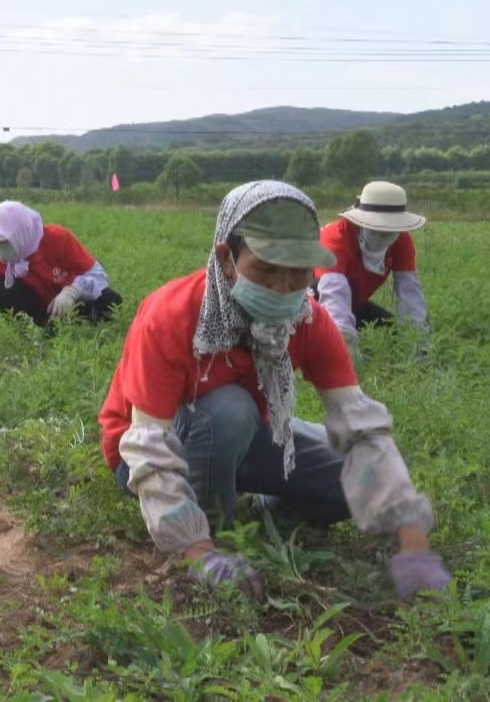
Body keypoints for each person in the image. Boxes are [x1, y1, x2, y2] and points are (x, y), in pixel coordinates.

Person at [96, 180, 449, 603]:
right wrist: (198, 551)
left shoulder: (309, 321)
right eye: (266, 269)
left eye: (299, 272)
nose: (284, 289)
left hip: (246, 439)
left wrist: (412, 540)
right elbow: (147, 444)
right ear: (227, 259)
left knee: (346, 477)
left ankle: (262, 497)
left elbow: (359, 424)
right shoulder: (172, 314)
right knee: (230, 409)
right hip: (145, 455)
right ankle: (214, 533)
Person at [0, 201, 123, 331]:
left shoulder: (57, 238)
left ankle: (71, 325)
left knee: (110, 300)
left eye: (4, 243)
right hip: (37, 311)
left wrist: (73, 291)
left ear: (21, 234)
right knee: (4, 287)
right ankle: (37, 330)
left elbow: (99, 276)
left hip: (72, 304)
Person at [315, 181, 428, 358]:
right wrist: (344, 343)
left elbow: (410, 295)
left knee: (394, 333)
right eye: (379, 229)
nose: (386, 235)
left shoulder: (401, 240)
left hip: (354, 303)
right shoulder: (335, 238)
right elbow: (333, 295)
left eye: (391, 230)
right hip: (306, 302)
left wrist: (416, 341)